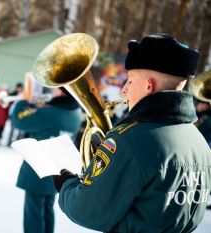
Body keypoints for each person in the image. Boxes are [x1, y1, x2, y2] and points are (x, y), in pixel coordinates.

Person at [53, 33, 211, 232]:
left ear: (148, 85)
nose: (124, 90)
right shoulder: (198, 140)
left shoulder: (130, 139)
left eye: (129, 80)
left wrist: (66, 184)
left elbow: (87, 211)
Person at [10, 86, 83, 233]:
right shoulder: (76, 113)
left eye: (55, 89)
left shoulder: (50, 112)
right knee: (47, 211)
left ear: (62, 92)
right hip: (58, 171)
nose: (51, 93)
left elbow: (18, 120)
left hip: (38, 170)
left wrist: (24, 101)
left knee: (34, 215)